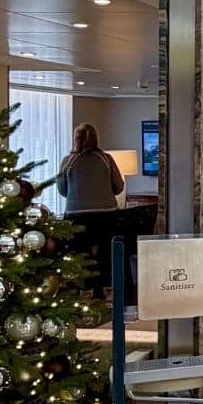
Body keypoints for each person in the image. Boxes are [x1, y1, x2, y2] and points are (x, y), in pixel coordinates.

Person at [57, 124, 124, 294]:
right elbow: (118, 187)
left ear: (76, 139)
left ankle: (82, 288)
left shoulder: (68, 161)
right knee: (104, 252)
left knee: (80, 253)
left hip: (76, 215)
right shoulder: (106, 159)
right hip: (106, 214)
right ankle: (100, 289)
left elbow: (62, 190)